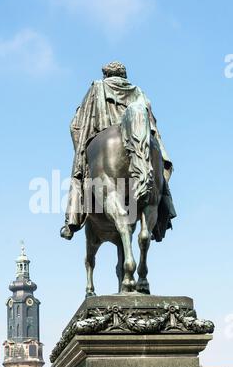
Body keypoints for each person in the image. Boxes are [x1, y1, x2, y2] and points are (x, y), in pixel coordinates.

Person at [60, 61, 176, 241]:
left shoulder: (98, 87)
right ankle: (163, 215)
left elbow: (75, 126)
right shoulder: (138, 91)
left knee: (78, 174)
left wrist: (81, 150)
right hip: (141, 140)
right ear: (124, 76)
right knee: (154, 165)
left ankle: (72, 221)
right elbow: (151, 124)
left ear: (106, 75)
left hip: (104, 144)